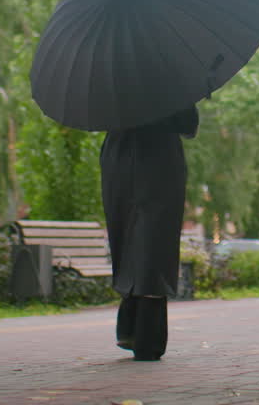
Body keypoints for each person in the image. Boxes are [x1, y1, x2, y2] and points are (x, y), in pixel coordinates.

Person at [99, 104, 199, 361]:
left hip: (119, 157)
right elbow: (188, 124)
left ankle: (131, 329)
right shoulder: (167, 77)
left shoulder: (111, 75)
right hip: (158, 158)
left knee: (128, 237)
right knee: (155, 241)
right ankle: (146, 337)